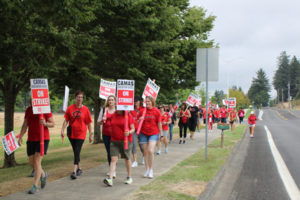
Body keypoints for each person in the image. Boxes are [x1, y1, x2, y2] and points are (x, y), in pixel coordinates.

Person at [18, 103, 55, 194]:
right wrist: (20, 136)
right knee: (31, 162)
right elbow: (25, 124)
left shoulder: (45, 108)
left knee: (37, 161)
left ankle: (35, 185)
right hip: (31, 139)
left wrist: (45, 123)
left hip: (43, 138)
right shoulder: (28, 109)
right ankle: (43, 175)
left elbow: (53, 123)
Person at [61, 90, 92, 180]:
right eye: (78, 97)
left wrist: (90, 134)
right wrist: (62, 130)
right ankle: (79, 168)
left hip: (81, 133)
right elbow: (66, 120)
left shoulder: (85, 109)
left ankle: (74, 171)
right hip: (71, 133)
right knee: (75, 151)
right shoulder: (70, 108)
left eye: (81, 97)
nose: (80, 99)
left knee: (77, 150)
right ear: (75, 98)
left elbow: (89, 123)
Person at [103, 110, 135, 186]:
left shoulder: (128, 115)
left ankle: (129, 177)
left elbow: (133, 128)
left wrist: (129, 132)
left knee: (127, 158)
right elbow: (104, 121)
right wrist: (102, 119)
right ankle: (110, 179)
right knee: (113, 159)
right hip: (114, 140)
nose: (117, 108)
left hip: (126, 141)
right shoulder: (113, 115)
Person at [138, 96, 162, 178]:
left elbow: (159, 123)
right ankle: (147, 169)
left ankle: (151, 169)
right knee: (145, 152)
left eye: (149, 101)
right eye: (146, 101)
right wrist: (139, 119)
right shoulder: (142, 111)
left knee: (150, 150)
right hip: (143, 133)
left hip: (153, 133)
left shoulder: (156, 111)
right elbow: (136, 122)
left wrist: (161, 133)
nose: (147, 103)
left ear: (152, 102)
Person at [97, 95, 116, 175]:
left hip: (115, 134)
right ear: (107, 101)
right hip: (106, 134)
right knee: (109, 152)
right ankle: (111, 169)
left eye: (112, 100)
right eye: (109, 100)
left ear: (115, 101)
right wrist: (102, 120)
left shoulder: (118, 110)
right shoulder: (104, 110)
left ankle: (113, 169)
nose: (110, 101)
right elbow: (98, 122)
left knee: (114, 152)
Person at [130, 97, 144, 167]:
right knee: (134, 145)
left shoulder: (143, 109)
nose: (136, 102)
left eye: (137, 101)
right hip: (134, 130)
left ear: (140, 101)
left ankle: (144, 156)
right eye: (134, 101)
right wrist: (137, 121)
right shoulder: (130, 109)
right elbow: (129, 119)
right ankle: (135, 161)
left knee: (142, 145)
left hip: (142, 130)